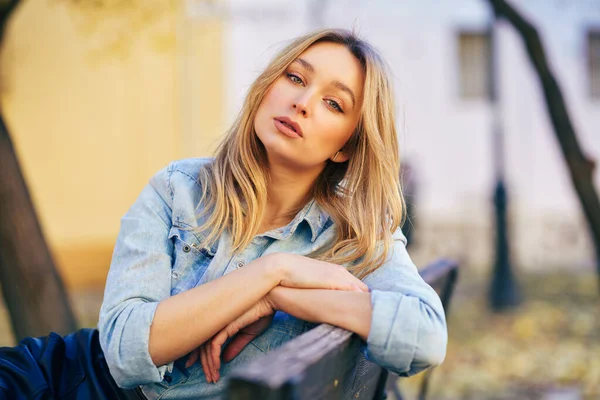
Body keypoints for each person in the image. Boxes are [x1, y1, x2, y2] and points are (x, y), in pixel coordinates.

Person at [0, 28, 447, 400]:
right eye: (295, 78)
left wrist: (279, 296)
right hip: (67, 379)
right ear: (269, 86)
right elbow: (121, 349)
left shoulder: (355, 237)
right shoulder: (177, 189)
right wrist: (276, 271)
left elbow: (425, 336)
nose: (303, 102)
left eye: (334, 103)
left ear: (346, 146)